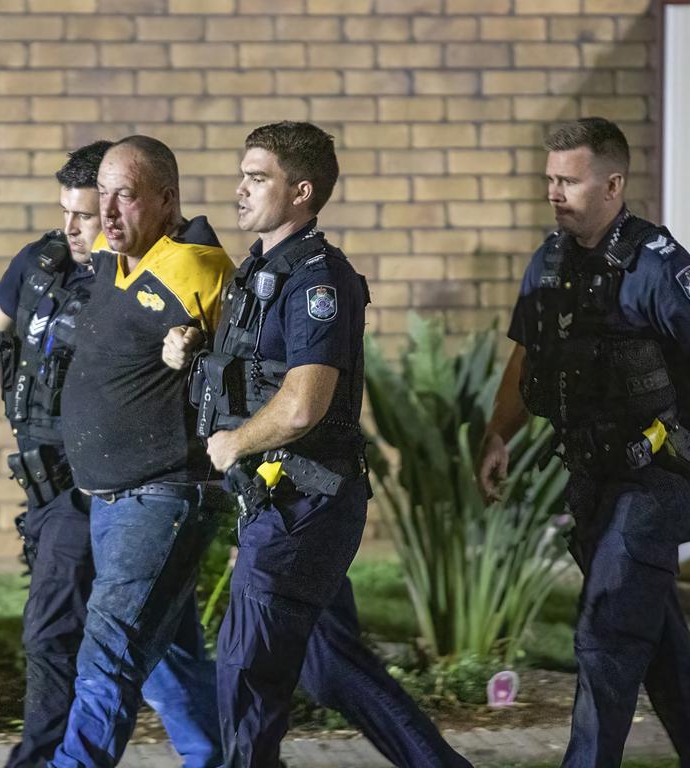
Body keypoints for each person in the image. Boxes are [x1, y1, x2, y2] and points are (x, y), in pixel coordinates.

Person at [0, 141, 221, 768]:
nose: (78, 226)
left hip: (122, 491)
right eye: (71, 211)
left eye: (91, 212)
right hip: (89, 491)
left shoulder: (163, 267)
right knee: (166, 655)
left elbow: (212, 327)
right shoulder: (50, 264)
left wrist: (191, 345)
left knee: (80, 643)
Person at [169, 121, 472, 767]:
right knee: (333, 669)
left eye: (258, 178)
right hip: (285, 500)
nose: (240, 190)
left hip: (302, 503)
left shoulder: (316, 280)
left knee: (246, 672)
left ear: (301, 191)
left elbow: (305, 402)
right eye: (242, 175)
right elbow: (254, 374)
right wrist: (195, 351)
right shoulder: (259, 271)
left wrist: (232, 444)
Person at [477, 117, 690, 767]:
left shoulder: (658, 266)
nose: (554, 191)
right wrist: (497, 435)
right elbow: (527, 356)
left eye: (568, 180)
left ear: (612, 185)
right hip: (591, 477)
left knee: (605, 631)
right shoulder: (549, 260)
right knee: (654, 640)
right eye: (549, 179)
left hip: (656, 478)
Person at [46, 135, 233, 768]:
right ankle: (222, 759)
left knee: (109, 649)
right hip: (112, 497)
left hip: (162, 495)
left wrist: (195, 350)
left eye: (126, 196)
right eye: (103, 196)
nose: (108, 212)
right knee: (167, 661)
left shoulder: (201, 271)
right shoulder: (107, 252)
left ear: (167, 199)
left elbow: (247, 372)